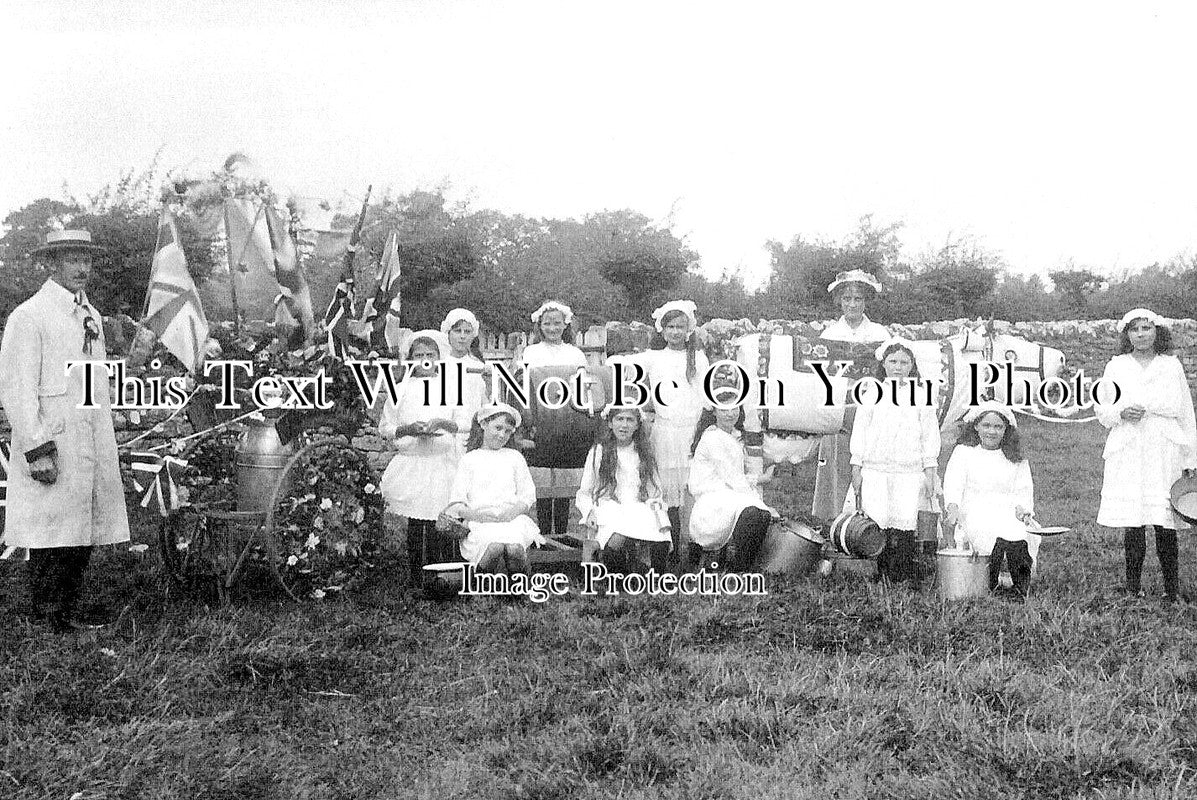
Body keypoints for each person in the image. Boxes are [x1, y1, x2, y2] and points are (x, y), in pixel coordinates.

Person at [0, 230, 130, 632]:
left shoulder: (91, 316)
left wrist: (102, 425)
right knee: (50, 527)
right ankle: (47, 613)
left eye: (86, 259)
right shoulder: (30, 315)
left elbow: (92, 382)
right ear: (52, 264)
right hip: (52, 437)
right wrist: (37, 448)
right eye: (72, 259)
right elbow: (17, 389)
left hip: (86, 435)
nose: (82, 268)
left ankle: (66, 607)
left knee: (81, 526)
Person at [1095, 308, 1197, 602]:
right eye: (1135, 329)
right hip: (1130, 446)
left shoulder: (1171, 365)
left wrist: (1190, 458)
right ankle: (1132, 588)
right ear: (1127, 334)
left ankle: (1171, 590)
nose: (1141, 334)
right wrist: (1121, 412)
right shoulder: (1116, 366)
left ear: (1157, 331)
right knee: (1135, 518)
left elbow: (1186, 414)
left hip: (1163, 446)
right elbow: (1102, 407)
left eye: (1146, 328)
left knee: (1165, 518)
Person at [378, 331, 473, 586]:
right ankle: (417, 575)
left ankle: (442, 575)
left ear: (439, 358)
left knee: (439, 519)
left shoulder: (450, 388)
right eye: (418, 355)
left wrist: (443, 423)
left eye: (430, 354)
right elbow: (386, 427)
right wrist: (408, 429)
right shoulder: (400, 389)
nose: (425, 360)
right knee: (417, 520)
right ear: (410, 360)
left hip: (441, 461)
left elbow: (464, 423)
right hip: (413, 461)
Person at [850, 339, 940, 585]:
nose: (898, 367)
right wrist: (857, 466)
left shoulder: (921, 396)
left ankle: (903, 573)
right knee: (878, 521)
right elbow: (860, 432)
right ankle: (880, 570)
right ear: (884, 364)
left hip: (908, 471)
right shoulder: (871, 393)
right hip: (876, 469)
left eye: (904, 362)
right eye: (893, 362)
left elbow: (929, 436)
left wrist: (930, 471)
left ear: (912, 365)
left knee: (905, 521)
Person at [813, 270, 890, 521]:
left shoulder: (880, 334)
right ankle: (833, 521)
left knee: (871, 464)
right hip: (838, 410)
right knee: (837, 463)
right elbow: (819, 375)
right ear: (840, 301)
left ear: (866, 301)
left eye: (858, 299)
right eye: (847, 299)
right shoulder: (829, 334)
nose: (853, 304)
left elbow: (889, 372)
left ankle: (870, 523)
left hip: (871, 408)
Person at [943, 401, 1040, 600]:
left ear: (1006, 429)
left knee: (1019, 531)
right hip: (974, 509)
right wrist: (953, 508)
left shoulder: (1016, 458)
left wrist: (1023, 511)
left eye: (998, 426)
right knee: (984, 529)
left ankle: (1018, 586)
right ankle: (989, 580)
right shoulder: (964, 452)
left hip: (1007, 510)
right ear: (976, 426)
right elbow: (953, 485)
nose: (992, 431)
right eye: (986, 425)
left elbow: (1023, 491)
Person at [640, 300, 710, 558]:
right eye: (670, 327)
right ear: (662, 329)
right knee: (667, 492)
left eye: (680, 327)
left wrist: (701, 431)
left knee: (692, 490)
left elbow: (705, 395)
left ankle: (694, 547)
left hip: (691, 431)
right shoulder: (653, 357)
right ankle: (668, 547)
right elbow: (624, 369)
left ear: (688, 329)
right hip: (665, 432)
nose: (675, 332)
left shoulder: (698, 358)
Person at [517, 300, 591, 540]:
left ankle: (561, 533)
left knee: (562, 475)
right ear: (539, 326)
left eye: (557, 323)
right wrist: (529, 421)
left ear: (565, 325)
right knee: (543, 478)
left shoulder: (575, 353)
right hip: (541, 421)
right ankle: (544, 534)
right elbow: (525, 387)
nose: (552, 328)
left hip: (568, 422)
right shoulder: (531, 352)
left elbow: (583, 388)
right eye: (547, 323)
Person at [443, 404, 545, 575]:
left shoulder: (514, 457)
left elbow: (527, 495)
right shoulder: (469, 459)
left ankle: (516, 583)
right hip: (481, 522)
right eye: (498, 428)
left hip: (511, 520)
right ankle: (482, 582)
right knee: (494, 546)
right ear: (483, 424)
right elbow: (457, 503)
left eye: (508, 431)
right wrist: (479, 517)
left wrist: (510, 514)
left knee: (514, 547)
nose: (502, 435)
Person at [687, 389, 777, 571]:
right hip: (712, 500)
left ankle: (743, 565)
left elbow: (733, 475)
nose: (730, 414)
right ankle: (739, 566)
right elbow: (733, 479)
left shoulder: (730, 435)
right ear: (714, 411)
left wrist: (761, 478)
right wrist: (761, 503)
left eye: (734, 408)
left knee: (761, 514)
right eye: (724, 409)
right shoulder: (712, 438)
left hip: (726, 495)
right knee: (755, 512)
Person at [575, 407, 672, 574]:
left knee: (660, 532)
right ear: (610, 423)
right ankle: (618, 578)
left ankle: (657, 577)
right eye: (619, 419)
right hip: (608, 505)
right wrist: (589, 512)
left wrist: (656, 507)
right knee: (617, 537)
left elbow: (654, 490)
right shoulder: (599, 451)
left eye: (630, 420)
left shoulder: (643, 452)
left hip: (638, 505)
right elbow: (585, 490)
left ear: (637, 425)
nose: (624, 425)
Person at [440, 308, 488, 438]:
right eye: (457, 331)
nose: (462, 336)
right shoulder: (439, 364)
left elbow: (484, 401)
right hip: (445, 430)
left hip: (471, 430)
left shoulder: (478, 366)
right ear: (448, 333)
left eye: (467, 332)